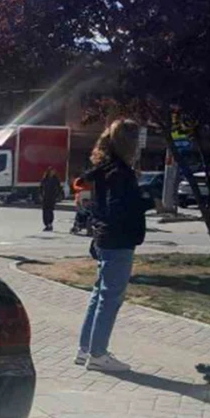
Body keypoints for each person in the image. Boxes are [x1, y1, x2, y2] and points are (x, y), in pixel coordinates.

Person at [75, 119, 155, 372]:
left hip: (104, 237)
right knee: (110, 297)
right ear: (129, 143)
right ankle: (97, 354)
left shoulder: (104, 167)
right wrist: (148, 202)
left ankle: (86, 349)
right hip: (118, 239)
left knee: (100, 294)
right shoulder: (119, 172)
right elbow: (119, 208)